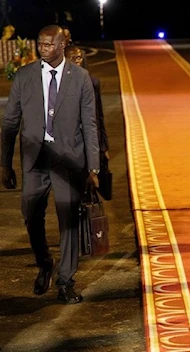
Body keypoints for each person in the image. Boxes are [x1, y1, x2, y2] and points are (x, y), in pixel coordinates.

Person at [1, 24, 100, 304]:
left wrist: (93, 168)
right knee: (31, 216)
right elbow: (10, 123)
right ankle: (45, 262)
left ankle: (66, 281)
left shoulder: (81, 78)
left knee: (68, 221)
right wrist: (5, 164)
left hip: (69, 161)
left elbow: (89, 124)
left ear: (61, 45)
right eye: (40, 44)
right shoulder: (25, 76)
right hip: (35, 160)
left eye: (47, 45)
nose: (42, 49)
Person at [64, 44, 109, 167]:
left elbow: (98, 115)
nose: (77, 61)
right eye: (73, 58)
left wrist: (104, 146)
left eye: (79, 58)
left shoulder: (92, 82)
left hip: (90, 141)